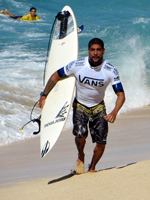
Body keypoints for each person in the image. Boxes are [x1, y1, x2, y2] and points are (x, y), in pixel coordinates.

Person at [39, 38, 125, 173]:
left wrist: (114, 112)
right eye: (92, 50)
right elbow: (56, 75)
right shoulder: (77, 65)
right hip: (80, 106)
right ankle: (81, 155)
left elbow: (121, 95)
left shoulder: (110, 70)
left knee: (101, 143)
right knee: (80, 135)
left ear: (103, 51)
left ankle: (92, 168)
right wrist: (44, 95)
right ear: (88, 51)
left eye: (98, 50)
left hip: (98, 107)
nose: (95, 53)